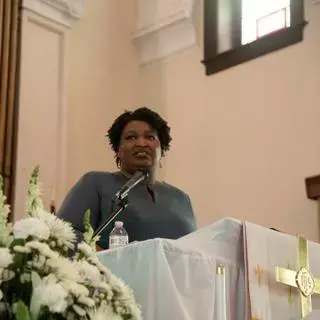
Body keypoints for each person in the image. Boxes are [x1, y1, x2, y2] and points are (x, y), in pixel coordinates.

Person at [57, 107, 196, 249]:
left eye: (150, 137)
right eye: (131, 137)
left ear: (162, 148)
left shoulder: (181, 199)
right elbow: (65, 234)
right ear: (118, 149)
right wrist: (106, 261)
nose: (141, 143)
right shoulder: (95, 183)